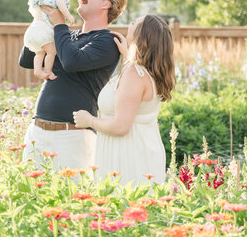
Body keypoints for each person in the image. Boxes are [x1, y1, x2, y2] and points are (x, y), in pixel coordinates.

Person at [21, 0, 127, 171]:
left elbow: (72, 61)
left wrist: (59, 24)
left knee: (71, 198)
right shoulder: (67, 36)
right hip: (37, 132)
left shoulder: (107, 42)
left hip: (72, 137)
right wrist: (42, 21)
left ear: (106, 4)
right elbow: (26, 60)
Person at [73, 15, 175, 185]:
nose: (130, 24)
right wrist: (127, 55)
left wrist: (89, 120)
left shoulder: (134, 75)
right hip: (141, 149)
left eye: (135, 23)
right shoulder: (149, 73)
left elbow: (121, 126)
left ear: (143, 36)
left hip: (126, 153)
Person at [24, 0, 75, 80]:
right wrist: (68, 15)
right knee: (51, 52)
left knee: (40, 53)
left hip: (32, 32)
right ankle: (47, 71)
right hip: (44, 33)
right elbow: (60, 3)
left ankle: (37, 70)